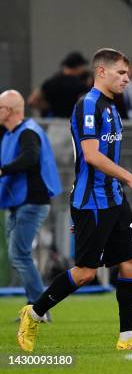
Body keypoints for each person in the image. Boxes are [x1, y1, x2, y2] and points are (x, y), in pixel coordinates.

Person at [17, 48, 132, 352]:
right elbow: (92, 156)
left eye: (129, 75)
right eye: (121, 73)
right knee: (86, 273)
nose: (127, 79)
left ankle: (128, 337)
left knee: (131, 261)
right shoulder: (88, 105)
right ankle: (33, 312)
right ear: (101, 72)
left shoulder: (111, 106)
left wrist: (123, 184)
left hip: (112, 197)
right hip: (92, 200)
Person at [0, 90, 62, 321]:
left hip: (32, 203)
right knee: (19, 255)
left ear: (8, 111)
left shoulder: (28, 133)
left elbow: (30, 157)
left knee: (20, 254)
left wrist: (3, 170)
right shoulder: (10, 133)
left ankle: (40, 308)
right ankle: (35, 307)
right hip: (18, 203)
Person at [34, 52, 90, 118]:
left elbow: (32, 101)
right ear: (78, 67)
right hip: (71, 123)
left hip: (53, 124)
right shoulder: (80, 84)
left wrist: (48, 108)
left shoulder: (50, 82)